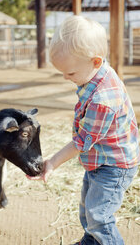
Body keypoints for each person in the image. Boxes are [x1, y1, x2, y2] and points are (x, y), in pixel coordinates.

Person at [27, 16, 139, 245]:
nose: (66, 79)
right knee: (88, 209)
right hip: (100, 159)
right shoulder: (97, 73)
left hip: (114, 167)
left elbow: (81, 142)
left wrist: (53, 162)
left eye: (70, 73)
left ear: (96, 61)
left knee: (99, 217)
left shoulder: (102, 100)